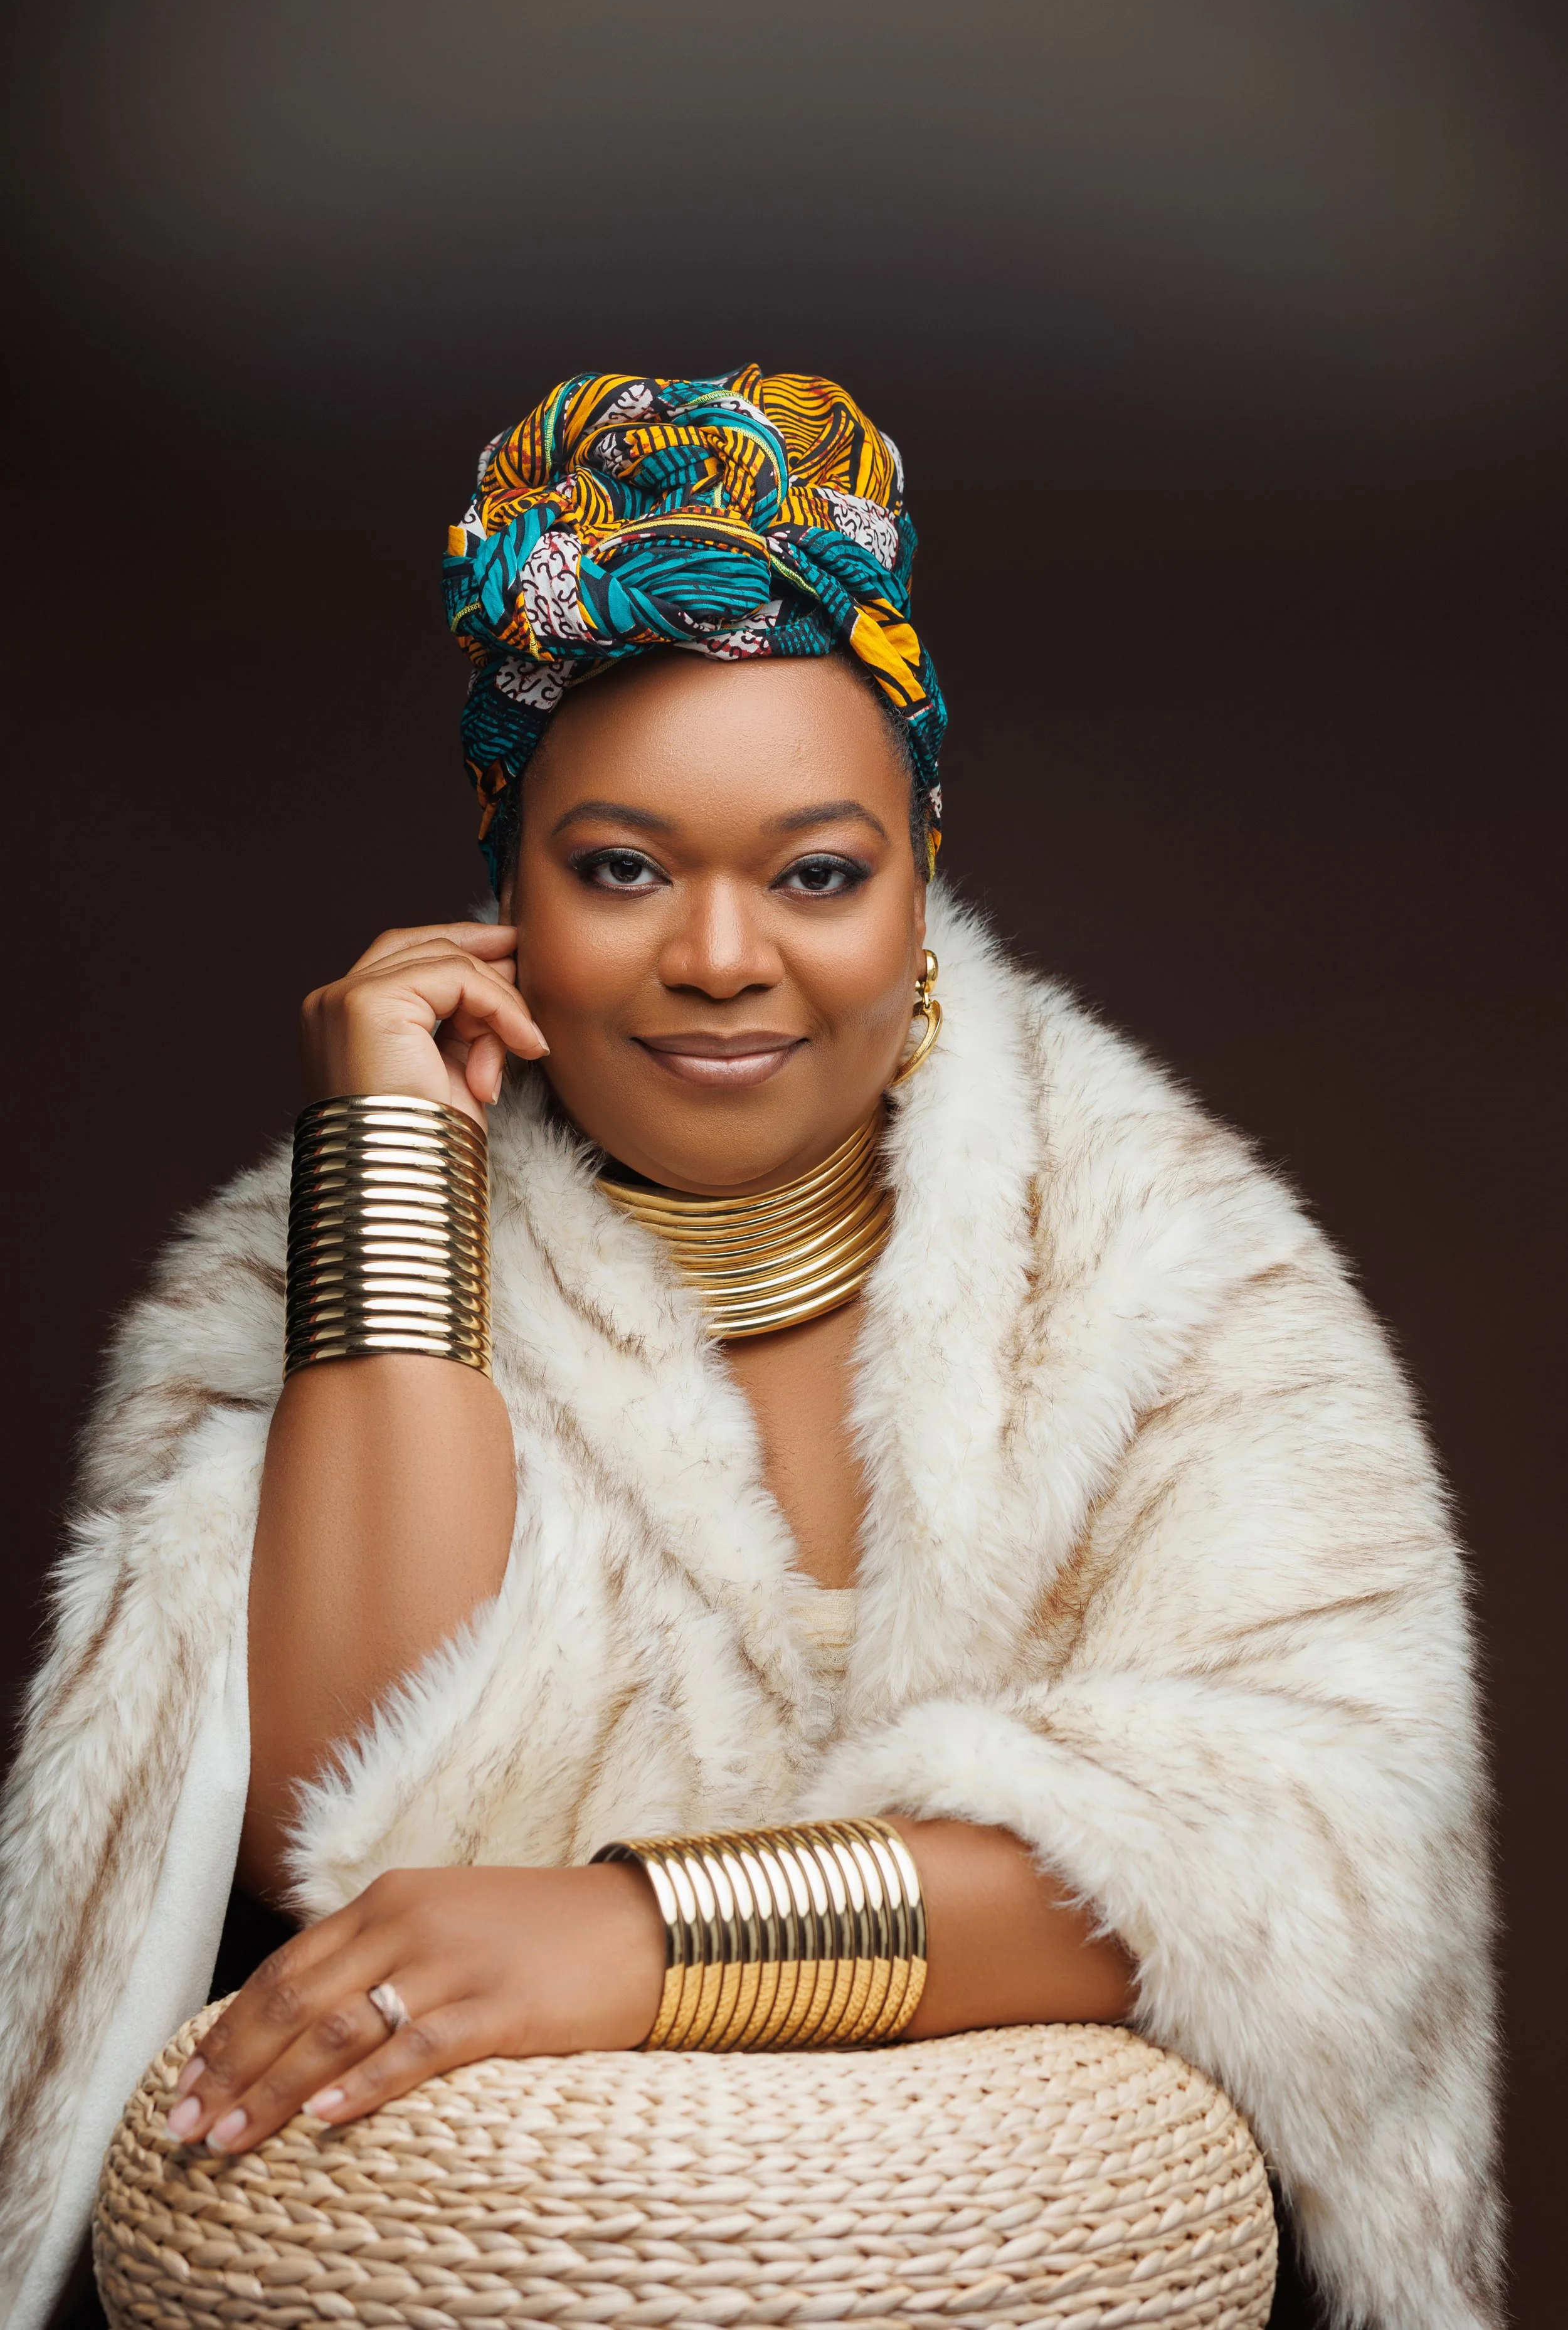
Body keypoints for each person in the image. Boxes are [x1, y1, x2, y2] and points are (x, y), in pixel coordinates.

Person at [0, 369, 1498, 2330]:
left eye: (815, 871)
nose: (720, 954)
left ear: (917, 876)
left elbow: (1307, 1857)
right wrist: (390, 1174)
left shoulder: (1175, 1280)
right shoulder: (284, 1299)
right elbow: (334, 1817)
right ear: (504, 883)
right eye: (619, 867)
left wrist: (641, 1931)